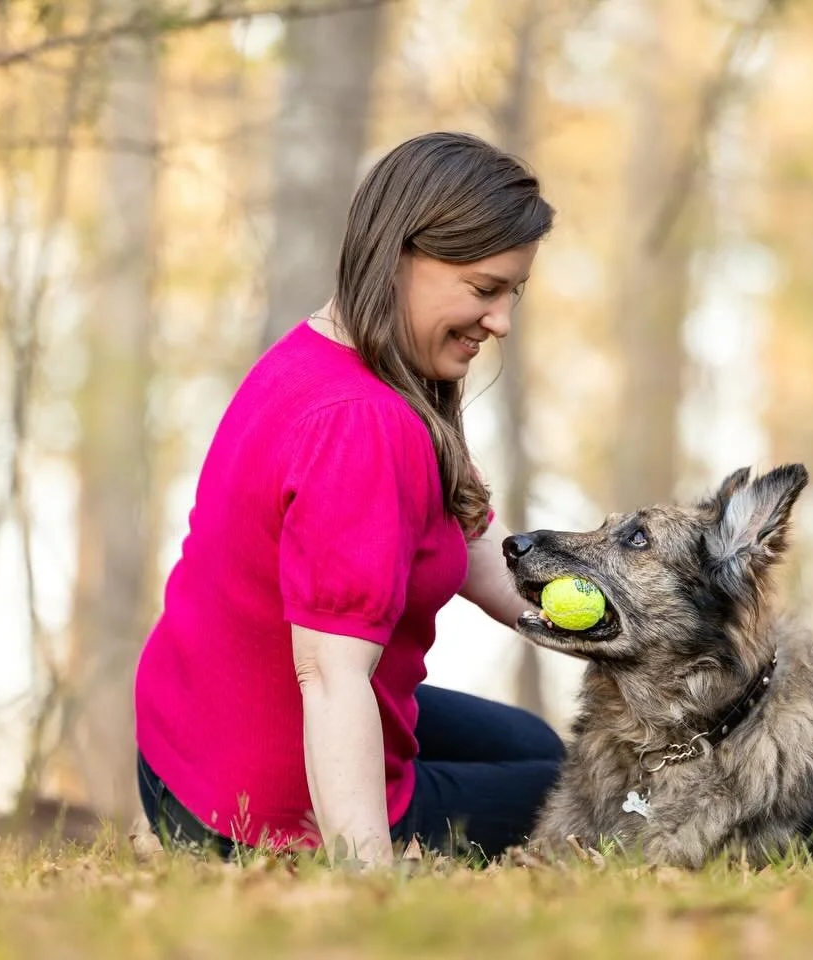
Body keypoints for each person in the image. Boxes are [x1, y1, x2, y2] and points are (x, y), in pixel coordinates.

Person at [133, 131, 563, 870]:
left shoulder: (328, 356)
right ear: (401, 258)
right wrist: (366, 873)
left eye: (511, 293)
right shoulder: (359, 426)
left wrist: (620, 618)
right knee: (572, 796)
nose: (501, 323)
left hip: (189, 745)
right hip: (253, 805)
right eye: (484, 290)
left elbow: (467, 542)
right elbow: (330, 676)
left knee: (532, 747)